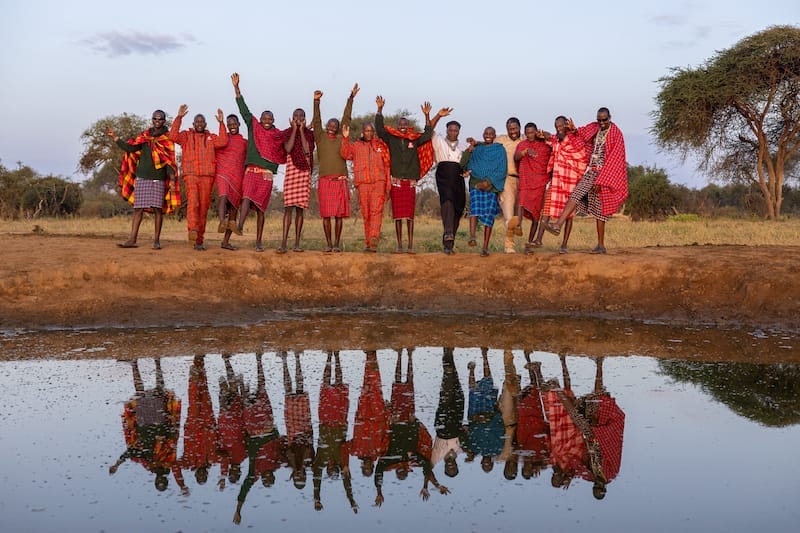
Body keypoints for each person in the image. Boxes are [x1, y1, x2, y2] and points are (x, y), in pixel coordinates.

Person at [545, 108, 628, 254]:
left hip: (603, 173)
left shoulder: (616, 134)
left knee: (599, 210)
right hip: (592, 170)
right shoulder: (594, 127)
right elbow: (582, 134)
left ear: (610, 118)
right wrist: (574, 129)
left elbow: (615, 159)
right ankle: (558, 225)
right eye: (599, 119)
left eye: (604, 120)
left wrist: (601, 180)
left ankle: (601, 245)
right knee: (576, 194)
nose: (601, 122)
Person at [374, 348, 450, 506]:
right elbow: (427, 468)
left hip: (395, 419)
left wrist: (379, 491)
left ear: (396, 471)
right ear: (407, 471)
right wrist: (431, 486)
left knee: (396, 386)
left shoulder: (390, 460)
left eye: (399, 473)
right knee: (409, 386)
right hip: (409, 419)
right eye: (404, 474)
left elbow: (379, 470)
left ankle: (399, 354)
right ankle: (408, 355)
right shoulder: (412, 458)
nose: (402, 471)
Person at [109, 358, 188, 494]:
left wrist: (118, 464)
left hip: (145, 423)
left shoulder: (150, 463)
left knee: (143, 392)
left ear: (156, 480)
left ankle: (139, 363)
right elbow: (171, 438)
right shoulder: (167, 462)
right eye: (163, 482)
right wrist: (181, 486)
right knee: (156, 391)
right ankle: (149, 362)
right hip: (157, 422)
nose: (161, 480)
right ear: (165, 480)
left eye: (159, 482)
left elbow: (132, 451)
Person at [107, 110, 180, 250]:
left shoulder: (167, 139)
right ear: (152, 120)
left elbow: (169, 162)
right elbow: (130, 147)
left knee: (158, 209)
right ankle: (132, 239)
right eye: (155, 119)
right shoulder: (145, 136)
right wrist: (115, 138)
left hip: (158, 179)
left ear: (164, 121)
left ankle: (156, 241)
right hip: (142, 177)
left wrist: (171, 180)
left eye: (160, 119)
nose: (157, 121)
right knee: (138, 209)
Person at [231, 72, 286, 252]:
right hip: (251, 172)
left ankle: (259, 242)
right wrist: (237, 88)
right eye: (264, 118)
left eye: (270, 119)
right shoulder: (254, 127)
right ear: (260, 120)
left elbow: (289, 141)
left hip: (267, 176)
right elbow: (244, 111)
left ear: (273, 121)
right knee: (246, 198)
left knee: (261, 209)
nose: (267, 121)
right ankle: (238, 226)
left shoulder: (277, 136)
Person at [375, 96, 435, 254]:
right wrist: (379, 110)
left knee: (409, 215)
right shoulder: (392, 137)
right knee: (397, 215)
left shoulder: (414, 139)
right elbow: (380, 130)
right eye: (400, 124)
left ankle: (410, 245)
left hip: (410, 181)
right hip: (396, 180)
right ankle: (399, 245)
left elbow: (428, 135)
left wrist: (427, 115)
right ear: (397, 125)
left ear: (408, 126)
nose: (402, 126)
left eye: (405, 124)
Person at [234, 353, 285, 525]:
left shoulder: (254, 474)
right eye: (270, 480)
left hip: (254, 431)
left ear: (262, 479)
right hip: (267, 424)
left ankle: (240, 382)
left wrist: (238, 510)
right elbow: (286, 450)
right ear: (274, 477)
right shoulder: (278, 464)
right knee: (262, 391)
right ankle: (259, 359)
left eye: (266, 480)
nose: (267, 478)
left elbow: (244, 489)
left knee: (246, 401)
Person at [169, 105, 228, 251]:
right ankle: (193, 230)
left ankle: (199, 241)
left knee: (203, 208)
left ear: (205, 124)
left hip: (207, 176)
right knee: (193, 203)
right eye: (197, 122)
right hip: (191, 174)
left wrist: (221, 123)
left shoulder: (211, 138)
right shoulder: (186, 136)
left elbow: (223, 141)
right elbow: (172, 136)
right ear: (193, 124)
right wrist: (179, 118)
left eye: (202, 122)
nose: (200, 124)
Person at [531, 115, 588, 252]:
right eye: (556, 126)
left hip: (571, 181)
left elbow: (582, 157)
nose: (559, 128)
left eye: (561, 126)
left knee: (569, 215)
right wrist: (543, 135)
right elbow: (549, 138)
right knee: (546, 210)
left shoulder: (575, 140)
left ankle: (564, 245)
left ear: (567, 125)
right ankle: (538, 240)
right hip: (556, 180)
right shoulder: (556, 140)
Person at [313, 84, 358, 252]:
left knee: (339, 215)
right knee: (326, 215)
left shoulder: (341, 139)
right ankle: (328, 244)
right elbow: (316, 121)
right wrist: (316, 102)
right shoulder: (320, 137)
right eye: (330, 125)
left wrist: (351, 98)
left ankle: (337, 244)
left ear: (339, 128)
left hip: (340, 180)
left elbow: (347, 119)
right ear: (326, 126)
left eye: (335, 125)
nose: (332, 127)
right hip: (325, 181)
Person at [312, 351, 357, 513]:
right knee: (339, 386)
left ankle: (329, 357)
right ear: (338, 469)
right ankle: (336, 356)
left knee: (325, 386)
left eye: (330, 471)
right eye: (334, 471)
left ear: (327, 470)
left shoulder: (320, 462)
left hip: (325, 421)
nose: (332, 469)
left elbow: (316, 480)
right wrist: (351, 500)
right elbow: (347, 483)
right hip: (339, 420)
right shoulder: (342, 460)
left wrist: (317, 499)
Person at [340, 123, 391, 252]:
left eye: (371, 131)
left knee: (376, 211)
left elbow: (387, 166)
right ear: (362, 132)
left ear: (374, 132)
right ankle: (369, 243)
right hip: (363, 183)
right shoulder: (356, 146)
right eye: (366, 131)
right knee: (366, 213)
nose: (369, 133)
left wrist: (388, 186)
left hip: (379, 182)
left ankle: (374, 237)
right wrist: (345, 138)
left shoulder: (380, 145)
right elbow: (345, 154)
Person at [461, 127, 507, 257]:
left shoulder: (499, 150)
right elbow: (463, 165)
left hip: (491, 185)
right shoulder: (477, 149)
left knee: (489, 216)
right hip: (476, 182)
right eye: (486, 134)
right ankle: (472, 237)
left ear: (494, 135)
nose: (488, 136)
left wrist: (487, 182)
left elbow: (502, 169)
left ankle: (485, 248)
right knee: (474, 208)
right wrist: (469, 151)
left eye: (491, 134)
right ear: (483, 135)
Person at [344, 351, 390, 477]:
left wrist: (345, 465)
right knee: (375, 384)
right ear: (372, 466)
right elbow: (386, 433)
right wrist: (387, 413)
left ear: (362, 466)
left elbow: (343, 447)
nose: (367, 465)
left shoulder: (354, 451)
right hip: (377, 416)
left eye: (365, 468)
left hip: (363, 415)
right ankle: (373, 355)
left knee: (366, 383)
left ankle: (368, 356)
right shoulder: (379, 451)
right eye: (369, 467)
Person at [430, 109, 467, 254]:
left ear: (458, 132)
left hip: (458, 177)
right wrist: (438, 115)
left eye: (455, 130)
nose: (453, 132)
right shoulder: (438, 140)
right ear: (446, 130)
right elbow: (429, 128)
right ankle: (448, 233)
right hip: (444, 174)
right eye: (450, 130)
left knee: (458, 208)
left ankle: (448, 244)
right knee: (447, 201)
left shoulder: (463, 146)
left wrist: (467, 170)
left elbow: (467, 163)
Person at [181, 355, 220, 486]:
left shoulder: (188, 463)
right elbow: (225, 458)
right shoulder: (213, 460)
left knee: (193, 398)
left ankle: (193, 376)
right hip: (208, 423)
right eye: (204, 476)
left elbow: (174, 465)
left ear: (196, 475)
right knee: (204, 391)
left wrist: (182, 485)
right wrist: (223, 475)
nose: (202, 474)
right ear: (207, 474)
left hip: (193, 426)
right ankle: (199, 362)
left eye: (200, 476)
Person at [279, 107, 314, 253]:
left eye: (301, 116)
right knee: (288, 209)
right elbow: (288, 148)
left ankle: (297, 244)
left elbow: (307, 150)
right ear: (292, 118)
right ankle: (284, 243)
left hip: (304, 171)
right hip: (292, 170)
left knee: (300, 210)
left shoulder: (309, 134)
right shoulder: (287, 132)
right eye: (296, 116)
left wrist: (301, 131)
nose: (298, 118)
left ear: (305, 118)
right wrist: (294, 130)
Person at [463, 348, 505, 472]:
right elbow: (501, 430)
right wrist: (490, 418)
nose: (486, 463)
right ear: (491, 463)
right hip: (490, 412)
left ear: (481, 462)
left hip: (474, 415)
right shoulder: (498, 448)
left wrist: (474, 421)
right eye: (488, 465)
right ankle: (485, 355)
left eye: (484, 465)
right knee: (488, 382)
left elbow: (468, 433)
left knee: (473, 390)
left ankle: (471, 369)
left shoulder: (475, 449)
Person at [514, 123, 552, 254]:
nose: (530, 135)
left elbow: (553, 142)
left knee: (536, 216)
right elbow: (516, 157)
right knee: (521, 202)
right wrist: (524, 152)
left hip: (540, 182)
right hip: (526, 180)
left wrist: (544, 135)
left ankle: (529, 244)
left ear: (536, 132)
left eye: (532, 132)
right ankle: (518, 225)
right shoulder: (522, 145)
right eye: (527, 133)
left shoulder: (544, 144)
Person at [279, 350, 315, 490]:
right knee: (300, 390)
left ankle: (284, 360)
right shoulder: (310, 462)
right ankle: (297, 357)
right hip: (305, 426)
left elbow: (287, 450)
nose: (299, 476)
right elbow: (309, 446)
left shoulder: (288, 463)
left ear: (294, 477)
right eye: (302, 478)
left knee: (288, 391)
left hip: (292, 429)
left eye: (297, 478)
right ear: (305, 476)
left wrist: (295, 466)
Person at [215, 115, 248, 251]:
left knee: (234, 208)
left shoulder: (244, 142)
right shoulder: (222, 139)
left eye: (234, 123)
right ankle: (222, 221)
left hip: (238, 176)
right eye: (229, 124)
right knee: (223, 196)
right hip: (223, 172)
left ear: (239, 124)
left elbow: (246, 159)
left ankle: (225, 242)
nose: (232, 126)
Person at [516, 352, 550, 480]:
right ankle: (532, 364)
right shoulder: (541, 458)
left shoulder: (522, 455)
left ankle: (530, 362)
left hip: (524, 419)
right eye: (529, 470)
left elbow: (518, 439)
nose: (527, 467)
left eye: (525, 469)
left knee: (528, 391)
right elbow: (550, 457)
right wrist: (540, 465)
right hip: (536, 420)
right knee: (535, 390)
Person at [432, 347, 465, 478]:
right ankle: (449, 354)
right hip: (457, 414)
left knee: (447, 383)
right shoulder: (460, 451)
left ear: (445, 468)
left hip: (443, 419)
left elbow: (427, 469)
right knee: (455, 383)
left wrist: (433, 485)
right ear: (457, 466)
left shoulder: (437, 457)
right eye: (454, 469)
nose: (451, 467)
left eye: (449, 469)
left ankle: (447, 355)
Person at [217, 354, 246, 490]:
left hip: (224, 419)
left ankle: (226, 363)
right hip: (236, 416)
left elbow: (222, 461)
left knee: (225, 390)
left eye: (231, 473)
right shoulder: (243, 456)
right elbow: (247, 435)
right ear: (239, 471)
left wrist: (222, 477)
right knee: (233, 389)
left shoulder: (227, 460)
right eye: (236, 473)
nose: (233, 471)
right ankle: (226, 360)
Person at [496, 118, 523, 253]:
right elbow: (487, 143)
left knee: (519, 213)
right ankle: (509, 245)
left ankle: (518, 228)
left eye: (515, 128)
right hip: (507, 178)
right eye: (510, 129)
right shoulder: (501, 140)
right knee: (508, 214)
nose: (512, 131)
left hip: (523, 180)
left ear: (520, 127)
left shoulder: (525, 139)